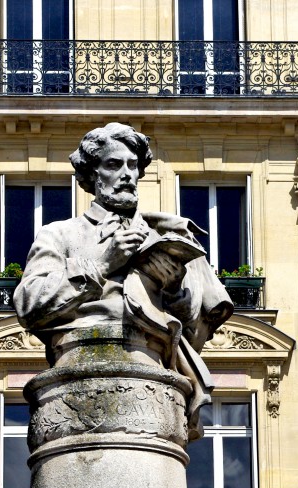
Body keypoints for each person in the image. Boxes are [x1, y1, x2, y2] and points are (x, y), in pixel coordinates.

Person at [13, 123, 233, 440]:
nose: (127, 174)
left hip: (153, 369)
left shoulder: (164, 236)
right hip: (80, 363)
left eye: (133, 165)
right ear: (92, 174)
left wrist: (173, 290)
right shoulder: (61, 234)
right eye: (114, 164)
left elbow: (195, 324)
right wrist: (103, 263)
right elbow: (28, 303)